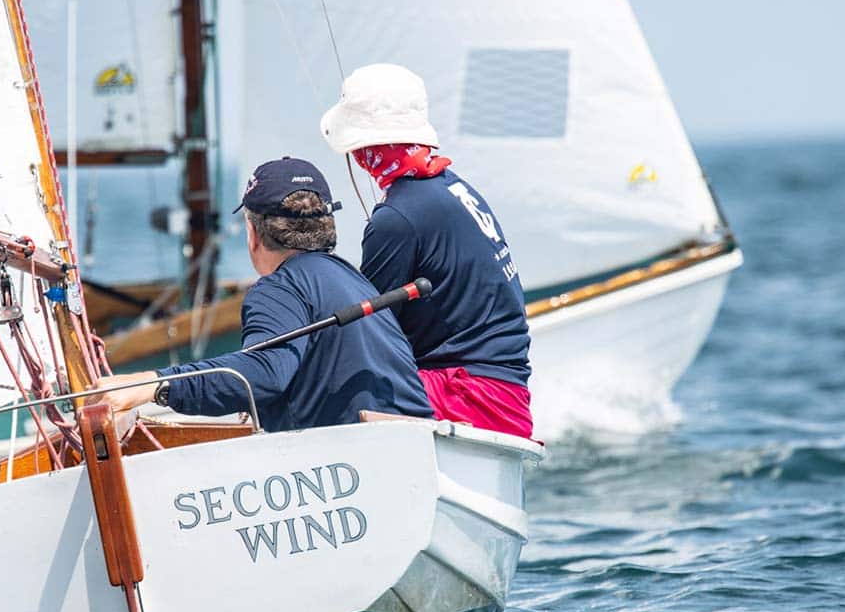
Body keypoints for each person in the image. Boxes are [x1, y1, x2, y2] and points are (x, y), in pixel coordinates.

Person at [90, 157, 434, 430]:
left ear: (253, 233)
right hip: (416, 447)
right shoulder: (356, 282)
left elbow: (265, 373)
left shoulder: (278, 288)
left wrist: (153, 384)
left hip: (360, 469)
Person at [320, 64, 533, 439]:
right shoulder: (453, 186)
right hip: (508, 397)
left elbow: (369, 335)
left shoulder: (396, 218)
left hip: (469, 396)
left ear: (361, 147)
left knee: (325, 391)